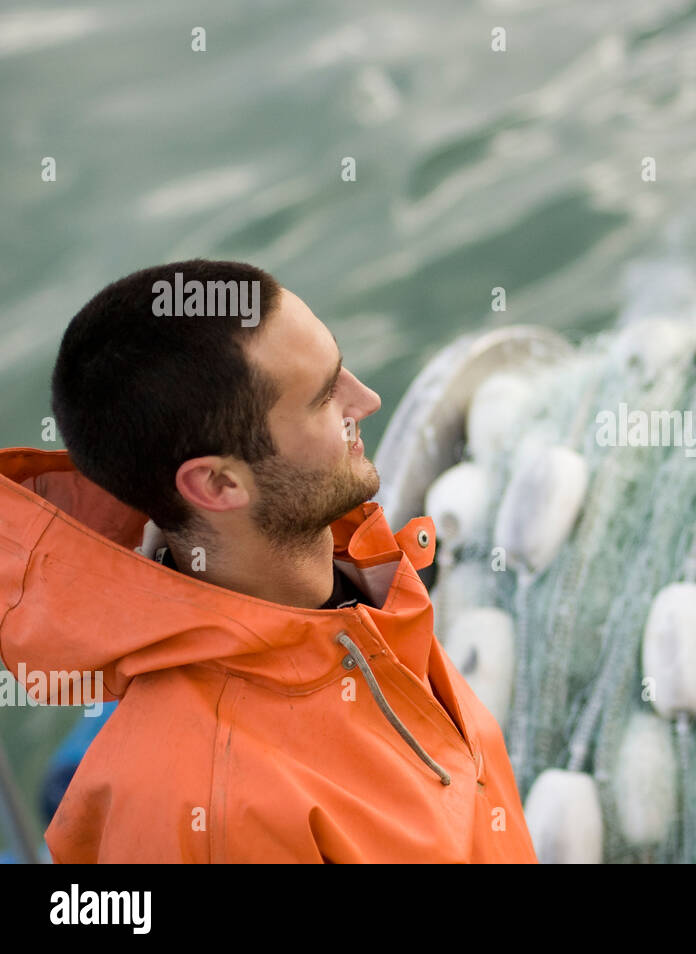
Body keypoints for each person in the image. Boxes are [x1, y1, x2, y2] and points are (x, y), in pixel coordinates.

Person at [0, 260, 538, 862]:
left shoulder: (372, 596)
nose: (367, 398)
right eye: (324, 395)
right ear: (219, 485)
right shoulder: (202, 809)